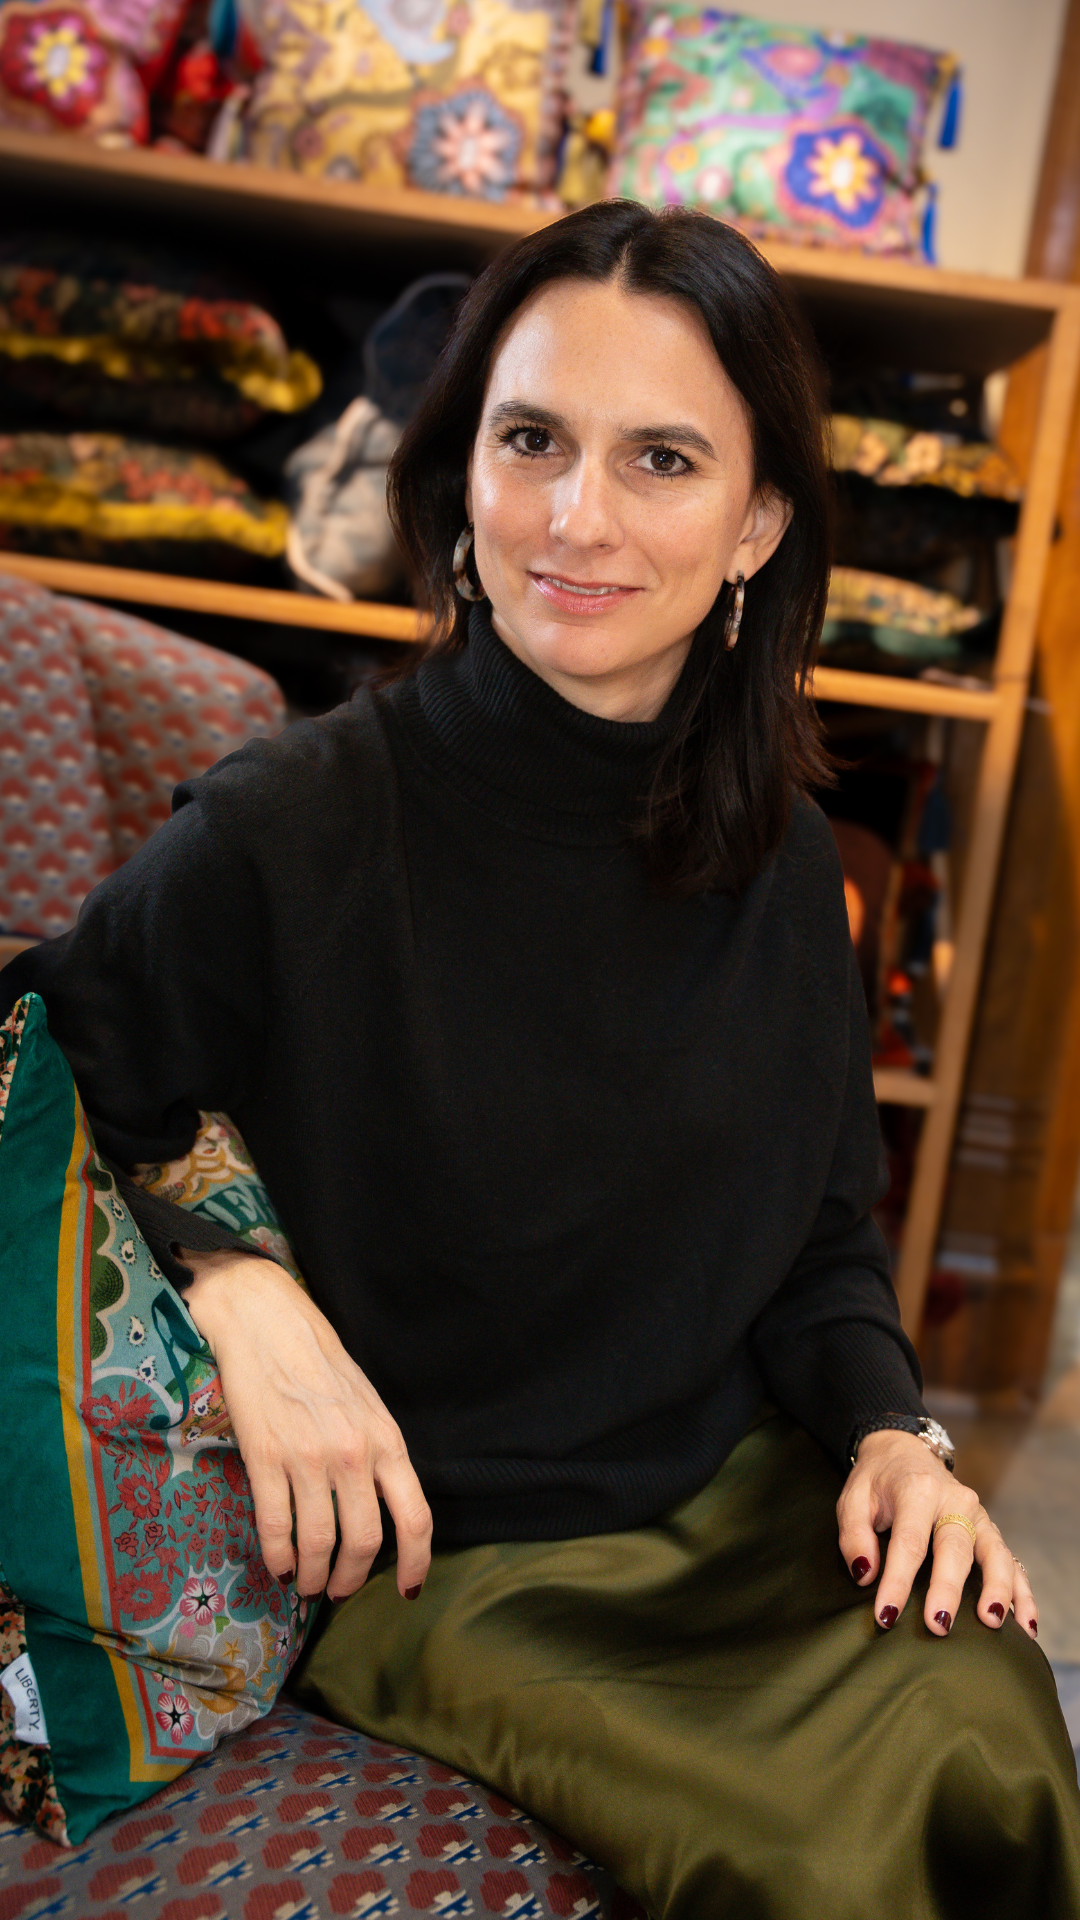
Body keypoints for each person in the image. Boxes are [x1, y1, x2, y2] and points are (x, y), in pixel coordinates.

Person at [3, 201, 1078, 1919]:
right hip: (452, 1561)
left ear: (757, 527)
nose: (576, 518)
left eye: (660, 458)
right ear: (462, 478)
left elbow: (817, 1235)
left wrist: (893, 1437)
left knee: (997, 1727)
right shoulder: (301, 819)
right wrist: (242, 1276)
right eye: (532, 440)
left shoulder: (795, 866)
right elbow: (65, 1044)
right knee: (820, 1855)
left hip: (738, 1503)